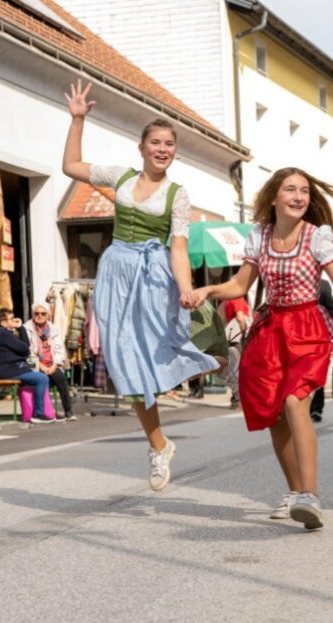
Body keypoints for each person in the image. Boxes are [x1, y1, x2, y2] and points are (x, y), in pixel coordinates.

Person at [190, 167, 333, 530]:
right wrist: (208, 291)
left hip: (307, 329)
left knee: (294, 401)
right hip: (270, 331)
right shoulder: (260, 236)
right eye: (290, 189)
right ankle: (294, 491)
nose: (299, 196)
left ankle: (311, 494)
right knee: (273, 413)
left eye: (304, 190)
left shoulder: (317, 237)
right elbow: (240, 285)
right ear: (274, 197)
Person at [62, 80, 219, 491]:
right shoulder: (121, 176)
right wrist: (77, 119)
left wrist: (185, 287)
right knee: (124, 362)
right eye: (156, 142)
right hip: (116, 271)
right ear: (142, 147)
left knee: (154, 351)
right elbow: (71, 167)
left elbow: (179, 249)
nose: (163, 149)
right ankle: (159, 446)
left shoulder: (177, 195)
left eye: (170, 144)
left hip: (152, 277)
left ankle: (220, 356)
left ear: (174, 151)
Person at [0, 307, 53, 424]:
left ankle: (39, 412)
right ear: (3, 323)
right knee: (41, 378)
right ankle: (38, 413)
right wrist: (20, 330)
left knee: (40, 377)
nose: (15, 320)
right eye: (11, 319)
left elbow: (25, 346)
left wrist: (21, 328)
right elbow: (25, 349)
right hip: (8, 371)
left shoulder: (5, 333)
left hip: (13, 369)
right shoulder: (3, 334)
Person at [22, 302, 76, 420]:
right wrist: (41, 366)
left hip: (52, 364)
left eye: (43, 313)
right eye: (37, 313)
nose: (40, 316)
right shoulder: (26, 329)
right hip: (36, 365)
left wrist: (54, 364)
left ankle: (68, 411)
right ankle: (42, 412)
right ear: (33, 314)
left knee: (61, 378)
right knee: (42, 379)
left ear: (48, 315)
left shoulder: (54, 329)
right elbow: (28, 352)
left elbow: (59, 349)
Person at [309, 279, 333, 423]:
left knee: (316, 374)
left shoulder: (322, 284)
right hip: (291, 334)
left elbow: (331, 311)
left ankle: (315, 409)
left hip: (316, 336)